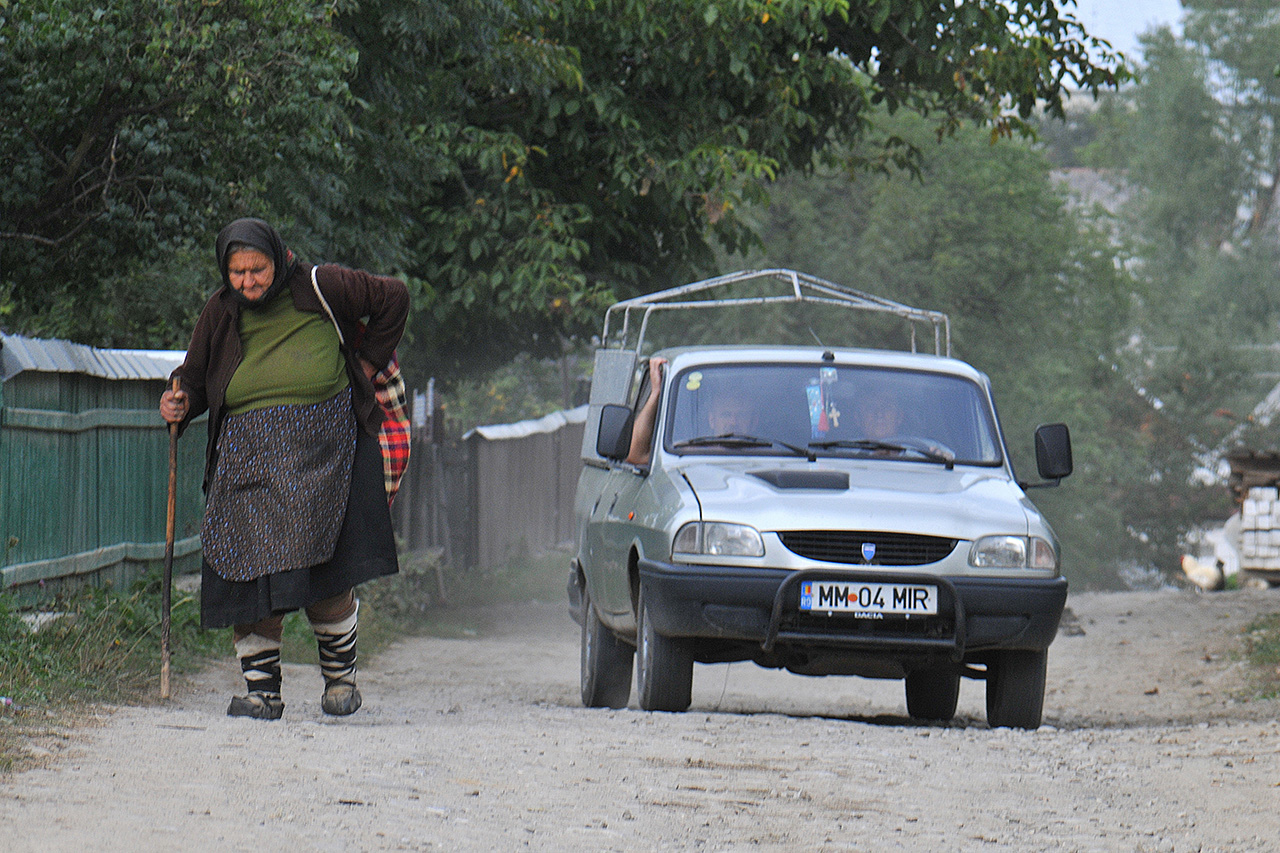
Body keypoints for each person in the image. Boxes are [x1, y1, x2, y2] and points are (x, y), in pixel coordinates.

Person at [160, 218, 409, 720]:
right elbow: (193, 376)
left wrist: (365, 366)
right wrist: (178, 400)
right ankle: (262, 693)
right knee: (244, 570)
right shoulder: (220, 312)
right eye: (237, 272)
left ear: (278, 260)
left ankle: (340, 682)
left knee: (327, 572)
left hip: (326, 452)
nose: (248, 281)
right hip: (246, 457)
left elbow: (394, 298)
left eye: (257, 269)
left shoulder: (322, 286)